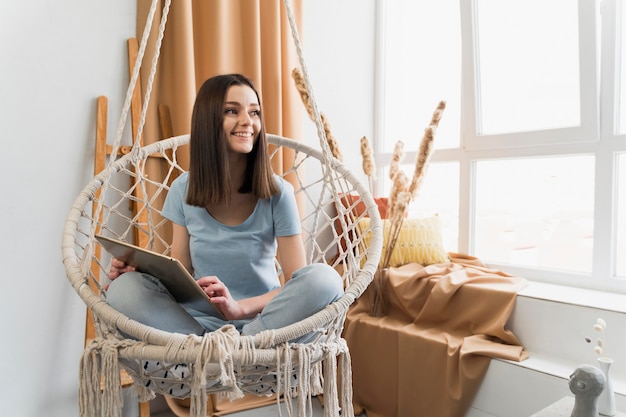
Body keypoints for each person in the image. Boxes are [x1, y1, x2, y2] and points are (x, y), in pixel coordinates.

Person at [106, 73, 344, 344]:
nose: (248, 121)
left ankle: (231, 351)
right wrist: (139, 273)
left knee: (325, 279)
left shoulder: (278, 193)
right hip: (196, 326)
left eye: (254, 112)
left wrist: (239, 308)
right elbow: (181, 272)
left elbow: (296, 281)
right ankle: (212, 351)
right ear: (209, 121)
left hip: (263, 322)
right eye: (233, 111)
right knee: (122, 289)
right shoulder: (183, 189)